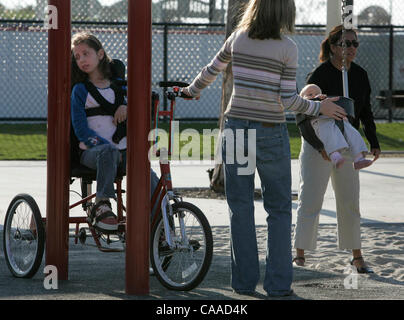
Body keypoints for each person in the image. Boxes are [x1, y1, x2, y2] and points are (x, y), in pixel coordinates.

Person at [182, 0, 346, 297]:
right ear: (285, 11)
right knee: (279, 210)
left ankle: (244, 284)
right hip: (271, 133)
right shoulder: (288, 47)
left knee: (240, 207)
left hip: (236, 131)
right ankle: (278, 285)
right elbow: (289, 100)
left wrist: (190, 91)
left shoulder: (238, 39)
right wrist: (319, 108)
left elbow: (211, 70)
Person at [293, 25, 381, 273]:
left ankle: (356, 255)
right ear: (333, 47)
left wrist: (373, 142)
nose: (352, 48)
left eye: (355, 44)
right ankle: (300, 254)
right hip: (317, 145)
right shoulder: (318, 75)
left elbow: (365, 112)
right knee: (309, 199)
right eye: (346, 43)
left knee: (349, 200)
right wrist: (319, 145)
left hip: (346, 144)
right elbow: (302, 116)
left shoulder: (360, 75)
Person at [71, 32, 159, 234]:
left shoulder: (122, 88)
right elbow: (81, 130)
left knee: (147, 172)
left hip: (123, 151)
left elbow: (143, 111)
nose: (82, 59)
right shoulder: (80, 90)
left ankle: (160, 226)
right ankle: (101, 204)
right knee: (108, 151)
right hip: (92, 152)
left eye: (86, 53)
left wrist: (128, 108)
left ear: (100, 54)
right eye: (77, 57)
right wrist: (106, 146)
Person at [299, 84, 373, 170]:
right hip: (318, 121)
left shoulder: (326, 101)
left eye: (317, 93)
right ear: (301, 99)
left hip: (332, 119)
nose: (314, 96)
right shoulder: (303, 108)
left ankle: (359, 158)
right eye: (310, 94)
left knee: (352, 132)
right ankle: (335, 156)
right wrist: (317, 101)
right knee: (327, 131)